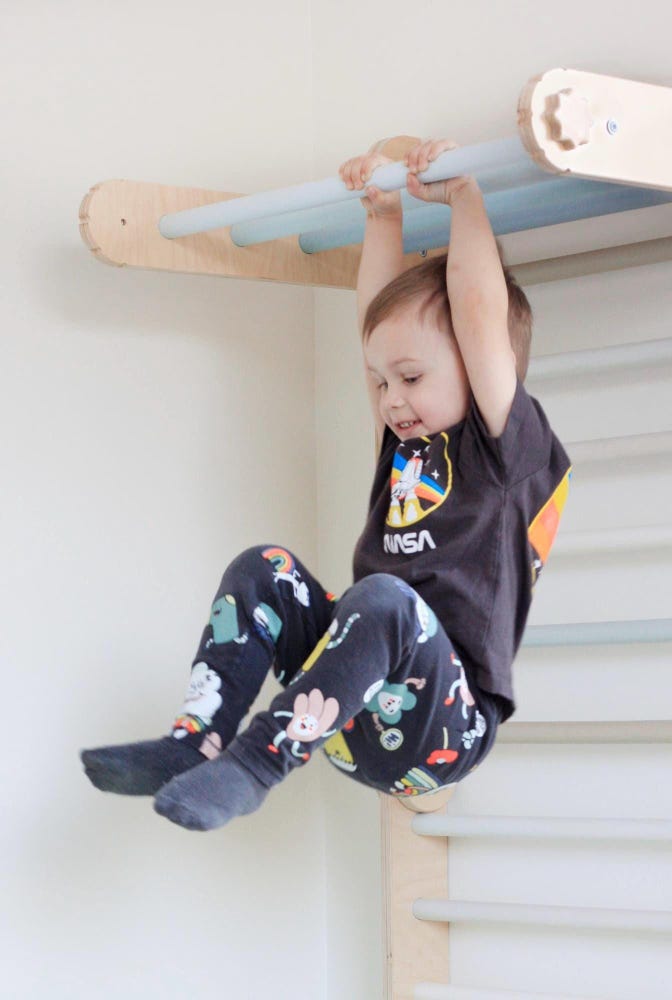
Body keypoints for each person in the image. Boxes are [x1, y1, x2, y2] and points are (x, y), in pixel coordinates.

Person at [80, 138, 571, 831]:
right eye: (381, 382)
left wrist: (465, 197)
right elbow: (373, 317)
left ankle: (255, 763)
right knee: (264, 568)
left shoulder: (506, 451)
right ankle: (198, 738)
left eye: (411, 377)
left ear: (480, 367)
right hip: (346, 708)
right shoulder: (404, 445)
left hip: (444, 725)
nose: (391, 399)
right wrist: (382, 216)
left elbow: (479, 313)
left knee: (384, 599)